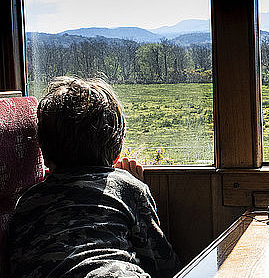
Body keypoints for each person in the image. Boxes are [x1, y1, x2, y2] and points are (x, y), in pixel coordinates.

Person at [8, 77, 180, 278]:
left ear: (44, 155)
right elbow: (164, 265)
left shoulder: (27, 201)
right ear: (117, 153)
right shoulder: (127, 187)